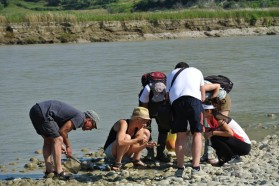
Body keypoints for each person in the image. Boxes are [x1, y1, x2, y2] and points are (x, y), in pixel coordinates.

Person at [29, 100, 99, 179]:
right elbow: (63, 131)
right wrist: (68, 146)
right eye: (93, 126)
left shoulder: (75, 116)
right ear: (89, 120)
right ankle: (59, 172)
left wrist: (61, 144)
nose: (90, 129)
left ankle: (49, 171)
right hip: (43, 112)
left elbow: (60, 131)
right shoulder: (81, 118)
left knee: (48, 140)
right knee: (58, 139)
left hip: (35, 110)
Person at [166, 62, 205, 176]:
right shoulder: (197, 71)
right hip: (194, 101)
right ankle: (196, 167)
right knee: (197, 134)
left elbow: (168, 96)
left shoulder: (171, 74)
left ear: (177, 69)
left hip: (177, 103)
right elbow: (202, 97)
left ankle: (180, 167)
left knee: (180, 135)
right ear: (187, 68)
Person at [139, 76, 171, 162]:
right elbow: (144, 105)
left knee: (156, 129)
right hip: (155, 108)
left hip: (155, 108)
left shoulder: (148, 88)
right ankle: (155, 153)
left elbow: (144, 104)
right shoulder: (149, 88)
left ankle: (155, 153)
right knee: (155, 130)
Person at [201, 81, 232, 163]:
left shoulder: (200, 86)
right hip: (208, 106)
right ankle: (207, 155)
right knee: (209, 130)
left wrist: (213, 102)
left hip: (221, 100)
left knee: (220, 128)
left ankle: (227, 154)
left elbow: (217, 86)